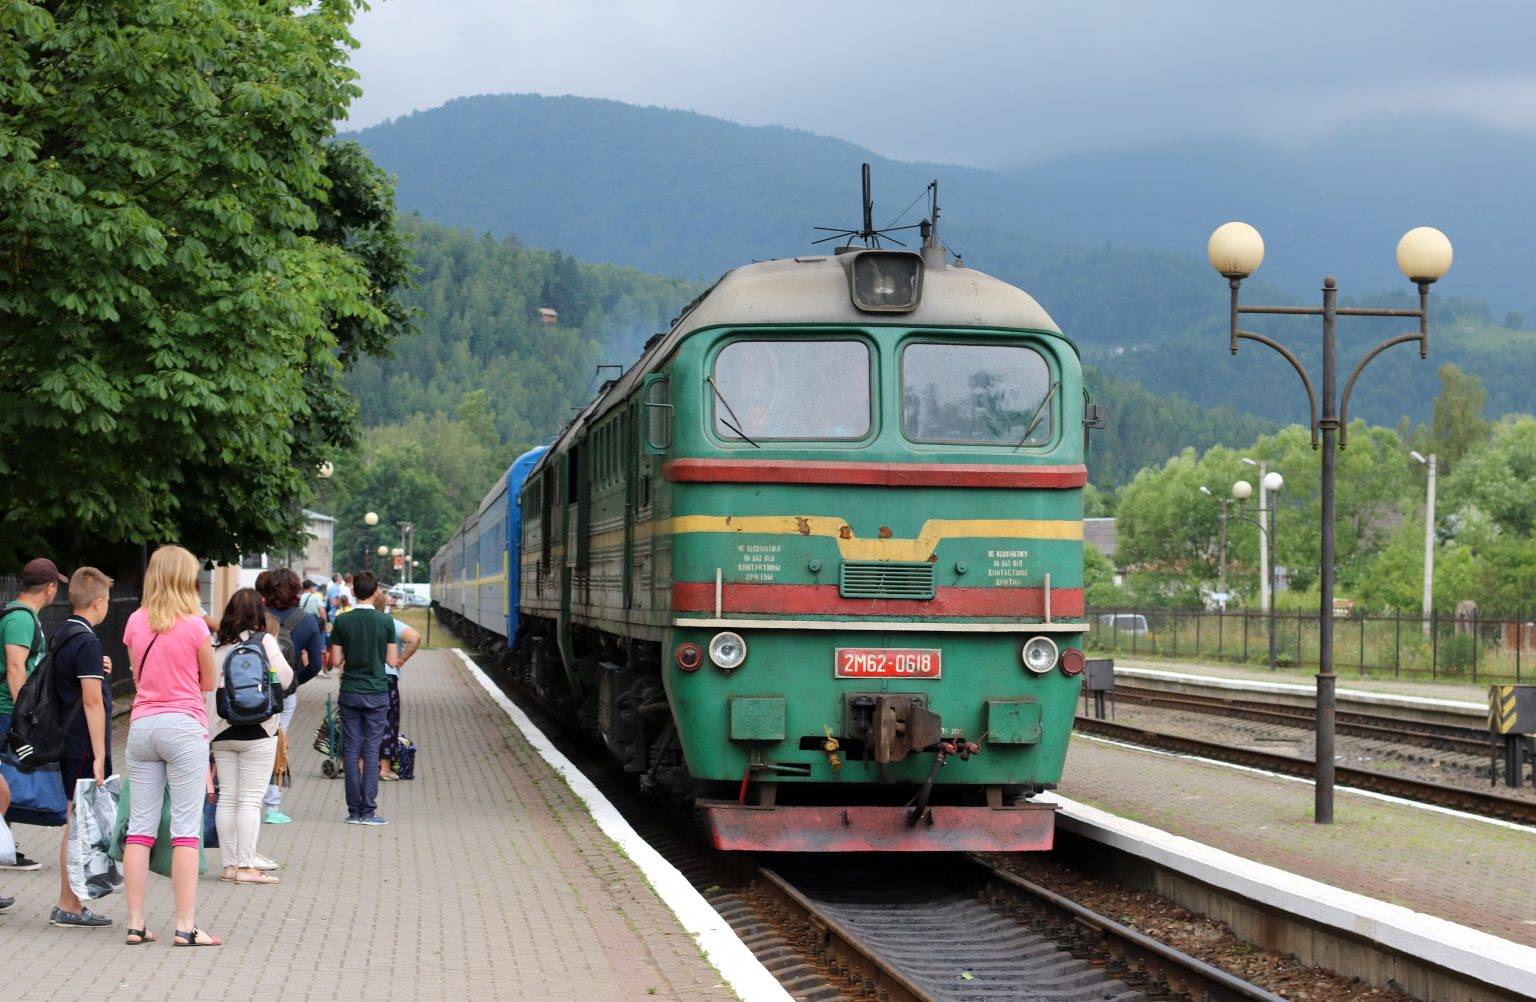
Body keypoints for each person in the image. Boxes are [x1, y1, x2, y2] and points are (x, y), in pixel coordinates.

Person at [121, 545, 220, 947]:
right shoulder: (195, 626)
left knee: (139, 831)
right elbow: (209, 682)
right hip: (183, 728)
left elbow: (137, 677)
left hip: (142, 727)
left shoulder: (134, 622)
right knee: (184, 831)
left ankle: (135, 923)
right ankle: (185, 926)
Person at [208, 589, 292, 885]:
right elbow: (285, 678)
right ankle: (246, 865)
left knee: (227, 797)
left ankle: (229, 865)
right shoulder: (264, 641)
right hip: (259, 728)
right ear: (259, 612)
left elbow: (207, 687)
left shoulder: (217, 644)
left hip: (222, 729)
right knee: (250, 801)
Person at [49, 567, 116, 928]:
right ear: (100, 602)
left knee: (75, 822)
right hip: (81, 745)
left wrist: (100, 669)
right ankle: (67, 903)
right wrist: (100, 758)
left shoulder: (65, 633)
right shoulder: (86, 641)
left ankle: (71, 901)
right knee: (76, 824)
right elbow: (91, 702)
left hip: (68, 740)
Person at [1, 557, 69, 873]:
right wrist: (24, 716)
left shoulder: (24, 616)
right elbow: (15, 667)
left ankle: (5, 848)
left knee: (7, 780)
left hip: (7, 711)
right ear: (50, 587)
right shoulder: (21, 619)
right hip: (5, 711)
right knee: (6, 779)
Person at [328, 571, 395, 825]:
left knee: (351, 749)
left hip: (350, 692)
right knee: (371, 750)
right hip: (377, 693)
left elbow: (335, 661)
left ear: (353, 592)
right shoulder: (385, 622)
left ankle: (354, 812)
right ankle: (368, 811)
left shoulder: (342, 621)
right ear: (376, 592)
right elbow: (391, 659)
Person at [261, 569, 325, 825]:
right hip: (284, 696)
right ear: (296, 590)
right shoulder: (307, 621)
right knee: (278, 743)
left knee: (253, 743)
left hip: (253, 693)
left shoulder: (257, 617)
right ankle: (273, 805)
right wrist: (294, 681)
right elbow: (316, 665)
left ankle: (247, 798)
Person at [371, 590, 421, 781]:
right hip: (387, 678)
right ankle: (384, 768)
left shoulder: (355, 621)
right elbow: (415, 638)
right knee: (388, 722)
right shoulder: (390, 623)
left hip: (361, 677)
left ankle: (362, 765)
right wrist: (401, 660)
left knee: (362, 720)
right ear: (385, 606)